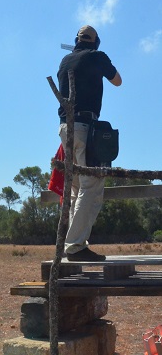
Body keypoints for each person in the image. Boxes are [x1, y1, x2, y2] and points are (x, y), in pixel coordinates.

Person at [57, 25, 122, 262]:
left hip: (65, 128)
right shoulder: (97, 57)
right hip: (84, 126)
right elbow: (118, 81)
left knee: (76, 188)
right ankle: (74, 246)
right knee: (92, 185)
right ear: (96, 42)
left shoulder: (65, 61)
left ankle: (73, 244)